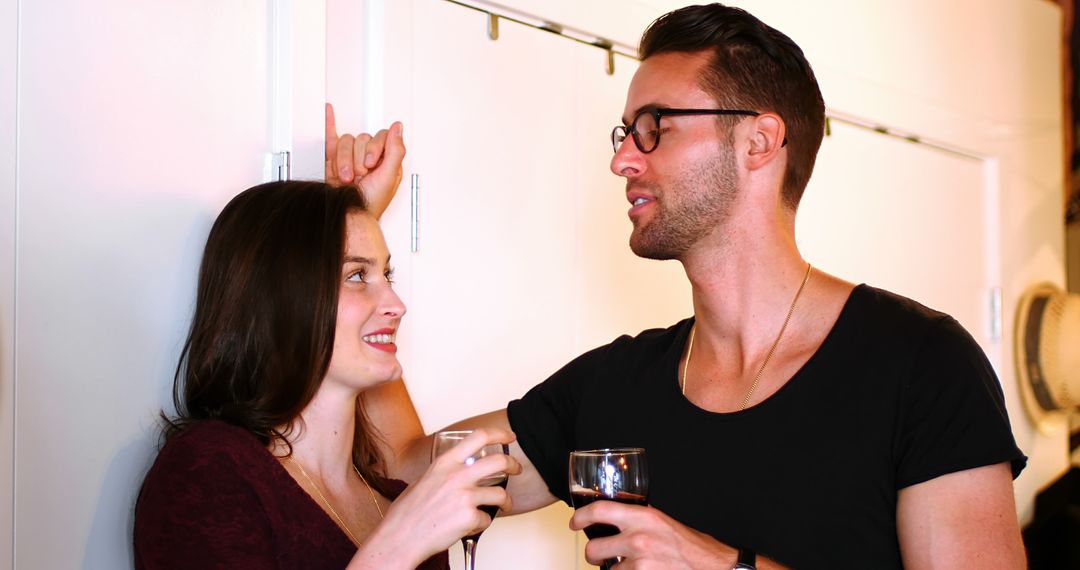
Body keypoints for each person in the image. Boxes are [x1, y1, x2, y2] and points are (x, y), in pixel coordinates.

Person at [357, 4, 1029, 569]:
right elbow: (408, 469)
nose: (622, 159)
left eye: (656, 128)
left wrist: (721, 565)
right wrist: (353, 235)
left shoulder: (922, 367)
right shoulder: (610, 388)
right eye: (627, 133)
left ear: (759, 142)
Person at [134, 111, 521, 569]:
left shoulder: (397, 502)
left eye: (386, 273)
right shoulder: (210, 472)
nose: (396, 303)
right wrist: (399, 545)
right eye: (358, 275)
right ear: (281, 296)